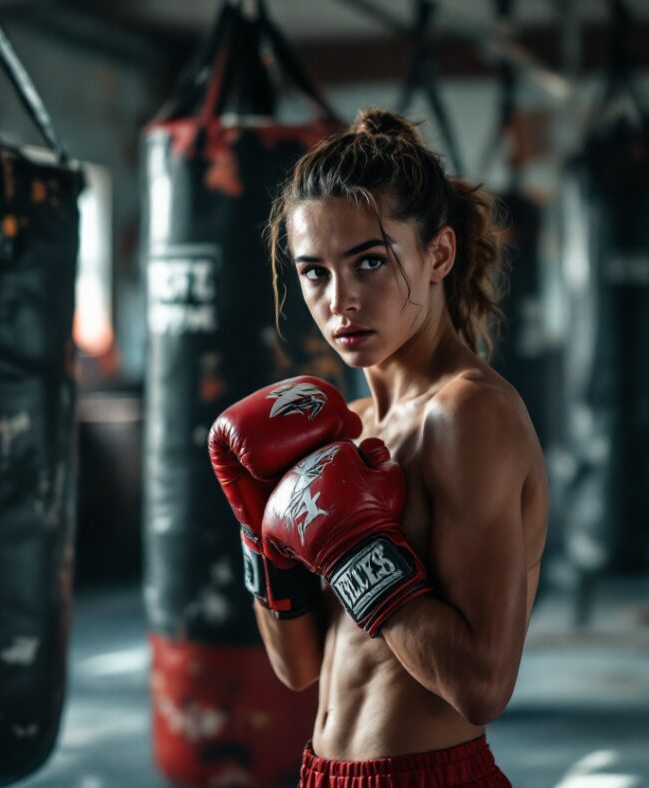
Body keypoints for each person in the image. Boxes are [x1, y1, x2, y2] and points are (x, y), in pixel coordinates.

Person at [210, 107, 548, 787]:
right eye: (314, 272)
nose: (340, 301)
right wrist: (261, 536)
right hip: (321, 771)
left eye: (369, 261)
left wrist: (352, 548)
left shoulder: (467, 414)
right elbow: (298, 668)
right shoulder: (349, 427)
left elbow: (483, 687)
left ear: (439, 255)